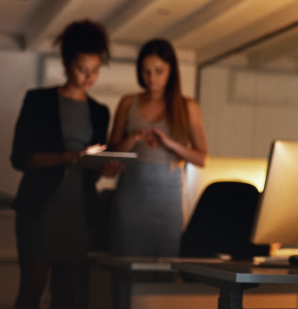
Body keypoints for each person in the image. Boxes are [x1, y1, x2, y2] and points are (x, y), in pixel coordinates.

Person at [11, 20, 117, 309]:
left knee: (67, 294)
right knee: (32, 288)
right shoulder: (38, 101)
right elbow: (19, 158)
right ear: (67, 63)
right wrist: (68, 156)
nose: (89, 77)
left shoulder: (99, 111)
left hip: (79, 212)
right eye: (83, 69)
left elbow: (89, 173)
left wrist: (102, 169)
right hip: (40, 208)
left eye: (95, 70)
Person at [108, 39, 207, 256]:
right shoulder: (128, 102)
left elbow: (201, 158)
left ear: (171, 70)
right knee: (125, 266)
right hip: (131, 195)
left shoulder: (187, 106)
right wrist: (134, 137)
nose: (152, 78)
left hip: (167, 200)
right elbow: (111, 155)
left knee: (164, 269)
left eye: (158, 71)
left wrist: (169, 143)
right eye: (146, 71)